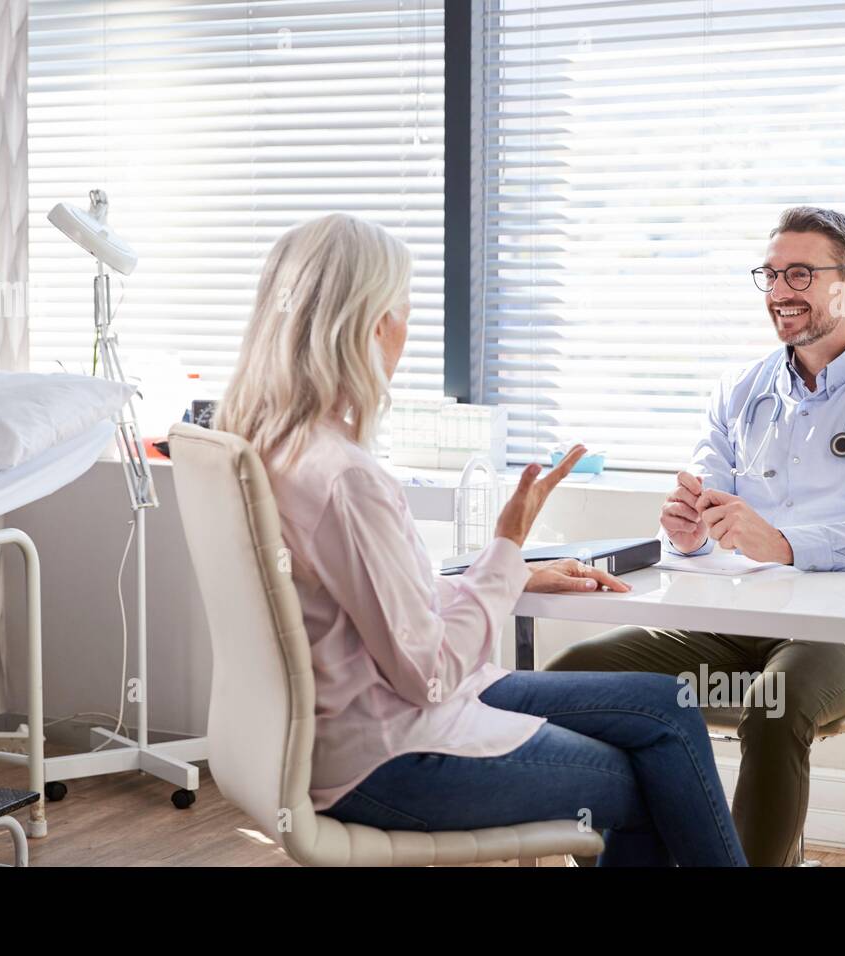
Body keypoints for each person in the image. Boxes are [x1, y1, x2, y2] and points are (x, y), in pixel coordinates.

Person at [218, 212, 745, 866]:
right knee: (647, 777)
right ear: (370, 323)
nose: (405, 330)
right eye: (403, 309)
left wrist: (513, 574)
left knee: (666, 706)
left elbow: (367, 607)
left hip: (344, 729)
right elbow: (431, 672)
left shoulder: (267, 446)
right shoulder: (345, 477)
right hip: (392, 756)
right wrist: (505, 549)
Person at [546, 206, 845, 866]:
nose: (780, 292)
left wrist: (789, 544)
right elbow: (707, 525)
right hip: (733, 627)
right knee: (572, 676)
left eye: (801, 273)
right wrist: (687, 532)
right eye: (770, 274)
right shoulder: (739, 389)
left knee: (775, 703)